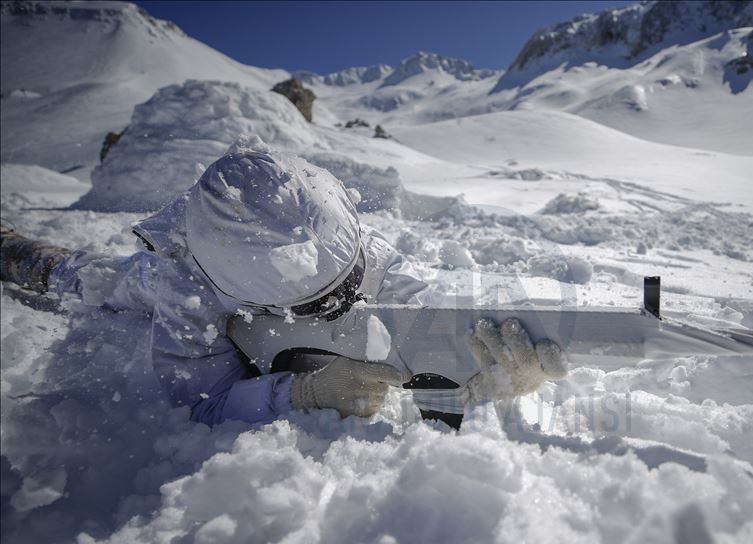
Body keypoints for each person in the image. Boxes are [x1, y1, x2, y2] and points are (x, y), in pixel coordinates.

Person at [0, 139, 566, 427]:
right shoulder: (187, 288)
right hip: (141, 283)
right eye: (318, 303)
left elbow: (418, 317)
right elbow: (197, 402)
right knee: (84, 279)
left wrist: (484, 372)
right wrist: (299, 395)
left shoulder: (350, 247)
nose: (344, 303)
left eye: (347, 284)